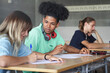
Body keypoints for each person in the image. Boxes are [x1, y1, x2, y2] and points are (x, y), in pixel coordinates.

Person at [25, 1, 89, 57]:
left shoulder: (54, 33)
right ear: (43, 20)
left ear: (57, 25)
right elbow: (28, 55)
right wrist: (52, 52)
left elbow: (66, 47)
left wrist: (80, 51)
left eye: (52, 24)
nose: (48, 26)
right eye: (46, 22)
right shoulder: (35, 33)